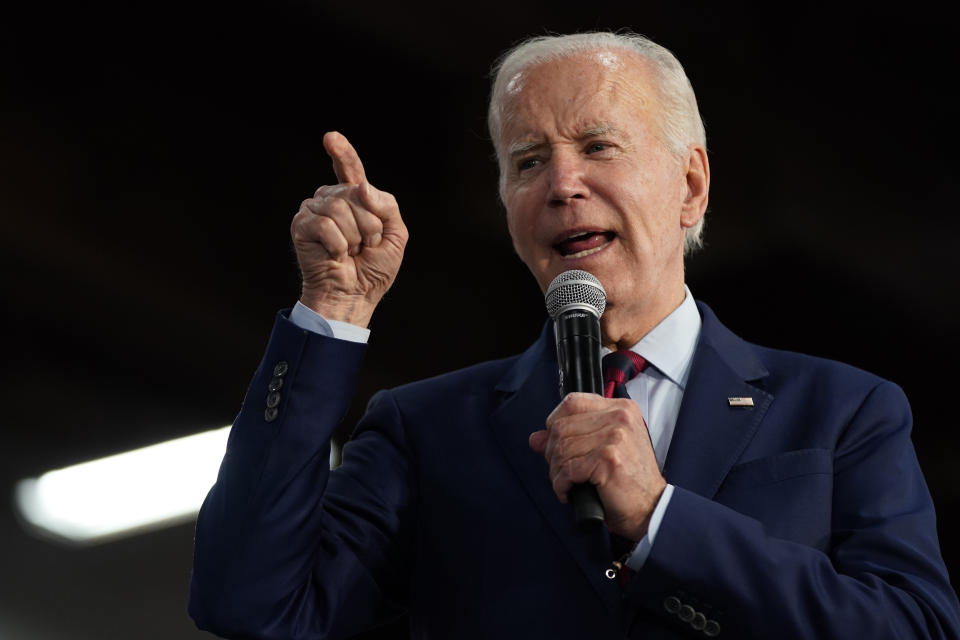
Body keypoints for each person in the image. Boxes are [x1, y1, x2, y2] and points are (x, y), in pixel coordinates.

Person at [188, 31, 960, 639]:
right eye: (528, 162)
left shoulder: (843, 411)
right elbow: (252, 604)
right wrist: (331, 313)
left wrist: (661, 519)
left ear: (690, 185)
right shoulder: (426, 431)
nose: (561, 185)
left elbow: (910, 626)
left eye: (598, 147)